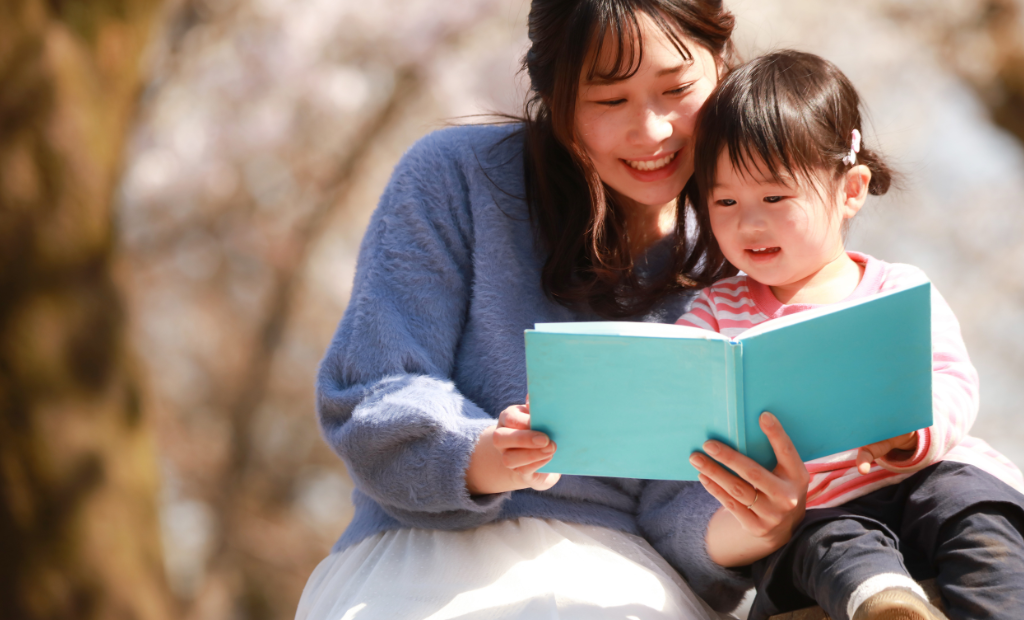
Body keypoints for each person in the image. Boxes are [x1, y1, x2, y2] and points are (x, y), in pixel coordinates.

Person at [296, 2, 815, 619]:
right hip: (423, 560)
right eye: (608, 100)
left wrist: (755, 520)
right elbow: (372, 390)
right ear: (556, 96)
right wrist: (480, 453)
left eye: (676, 89)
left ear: (722, 67)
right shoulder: (457, 178)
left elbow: (682, 509)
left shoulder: (753, 252)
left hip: (627, 583)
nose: (649, 132)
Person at [676, 50, 1024, 620]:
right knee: (828, 544)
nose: (748, 221)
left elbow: (953, 378)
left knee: (976, 511)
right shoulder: (714, 310)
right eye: (725, 201)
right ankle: (887, 606)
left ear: (850, 190)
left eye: (773, 197)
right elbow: (676, 380)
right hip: (817, 505)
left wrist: (913, 431)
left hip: (927, 472)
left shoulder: (896, 289)